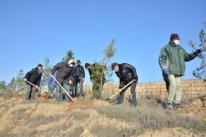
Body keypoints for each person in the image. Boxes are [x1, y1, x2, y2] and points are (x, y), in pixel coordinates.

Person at [159, 33, 202, 109]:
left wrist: (195, 53)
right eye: (176, 39)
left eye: (178, 39)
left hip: (179, 71)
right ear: (172, 39)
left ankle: (177, 103)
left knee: (178, 86)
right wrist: (165, 69)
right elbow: (162, 59)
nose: (177, 40)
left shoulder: (180, 49)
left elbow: (187, 57)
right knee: (173, 84)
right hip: (170, 70)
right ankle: (169, 102)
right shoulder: (166, 48)